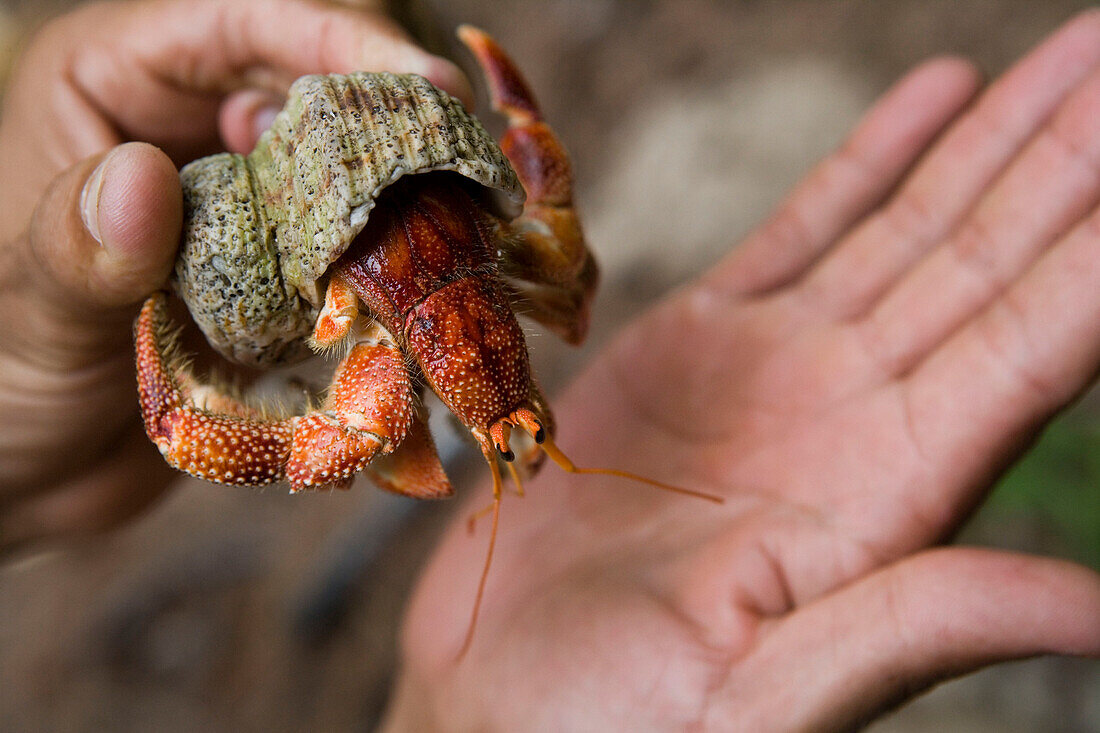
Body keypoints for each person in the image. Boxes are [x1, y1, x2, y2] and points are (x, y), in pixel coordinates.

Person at [0, 1, 1097, 729]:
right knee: (528, 277)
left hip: (404, 223)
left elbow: (548, 240)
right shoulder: (404, 311)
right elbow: (549, 229)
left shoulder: (438, 310)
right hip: (354, 233)